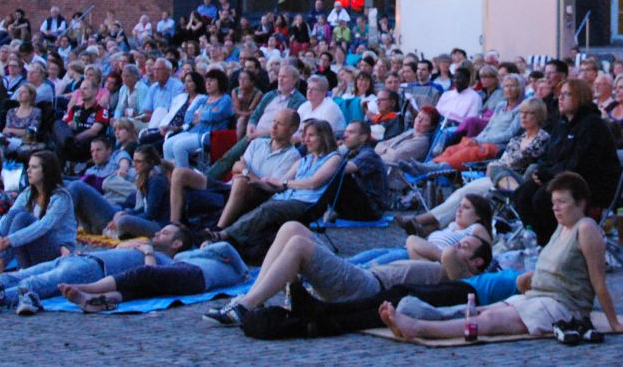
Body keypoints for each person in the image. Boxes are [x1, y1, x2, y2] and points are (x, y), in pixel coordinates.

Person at [378, 172, 622, 340]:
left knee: (491, 321)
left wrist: (615, 323)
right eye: (554, 202)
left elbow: (598, 282)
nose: (555, 207)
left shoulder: (586, 228)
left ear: (580, 204)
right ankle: (414, 314)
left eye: (562, 202)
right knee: (480, 311)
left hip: (564, 307)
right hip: (541, 295)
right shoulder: (563, 227)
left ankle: (418, 328)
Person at [204, 219, 491, 326]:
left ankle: (245, 306)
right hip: (361, 274)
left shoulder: (461, 276)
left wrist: (464, 238)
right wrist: (451, 242)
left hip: (366, 287)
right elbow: (413, 241)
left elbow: (449, 254)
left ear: (477, 262)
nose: (456, 242)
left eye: (465, 244)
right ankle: (253, 296)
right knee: (291, 227)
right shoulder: (440, 265)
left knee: (299, 245)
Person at [0, 223, 196, 316]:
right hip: (83, 259)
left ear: (177, 243)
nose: (159, 232)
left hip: (94, 271)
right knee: (19, 275)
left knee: (38, 284)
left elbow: (150, 278)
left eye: (167, 233)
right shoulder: (140, 245)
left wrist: (148, 252)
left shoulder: (165, 260)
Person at [403, 98, 549, 236]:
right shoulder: (518, 139)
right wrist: (495, 165)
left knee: (467, 194)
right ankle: (428, 227)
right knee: (463, 193)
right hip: (496, 175)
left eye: (528, 114)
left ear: (538, 116)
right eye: (521, 113)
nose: (522, 117)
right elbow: (506, 160)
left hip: (512, 180)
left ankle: (420, 221)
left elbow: (520, 160)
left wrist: (494, 165)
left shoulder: (542, 137)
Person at [211, 118, 343, 256]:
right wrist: (256, 181)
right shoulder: (304, 160)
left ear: (323, 137)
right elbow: (279, 185)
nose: (306, 140)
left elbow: (313, 183)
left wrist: (285, 184)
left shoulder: (333, 158)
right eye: (304, 135)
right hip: (286, 198)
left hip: (307, 203)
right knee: (252, 200)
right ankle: (229, 241)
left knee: (268, 209)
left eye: (311, 135)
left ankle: (223, 235)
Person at [513, 80, 617, 241]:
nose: (560, 99)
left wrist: (549, 175)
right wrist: (540, 171)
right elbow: (548, 155)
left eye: (566, 94)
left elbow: (580, 163)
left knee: (541, 199)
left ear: (580, 97)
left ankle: (556, 242)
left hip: (587, 183)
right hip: (560, 177)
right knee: (521, 194)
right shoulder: (562, 124)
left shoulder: (593, 125)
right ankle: (541, 241)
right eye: (559, 95)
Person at [57, 240, 251, 314]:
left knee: (143, 274)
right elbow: (171, 262)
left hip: (197, 275)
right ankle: (95, 301)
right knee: (140, 289)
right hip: (192, 277)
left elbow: (225, 247)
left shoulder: (226, 262)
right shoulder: (185, 257)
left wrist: (243, 272)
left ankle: (88, 287)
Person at [0, 150, 77, 281]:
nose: (28, 171)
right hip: (31, 255)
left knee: (22, 218)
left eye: (34, 167)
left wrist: (9, 240)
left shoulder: (61, 197)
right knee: (16, 213)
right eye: (29, 166)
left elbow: (43, 226)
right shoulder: (28, 193)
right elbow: (9, 215)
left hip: (58, 253)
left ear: (47, 171)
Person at [67, 145, 172, 238]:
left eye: (138, 161)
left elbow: (150, 214)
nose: (134, 165)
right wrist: (125, 212)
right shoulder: (145, 177)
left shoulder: (156, 180)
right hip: (125, 209)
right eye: (134, 161)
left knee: (124, 221)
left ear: (150, 163)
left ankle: (107, 230)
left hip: (156, 225)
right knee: (73, 185)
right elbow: (143, 208)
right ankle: (95, 228)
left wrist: (125, 215)